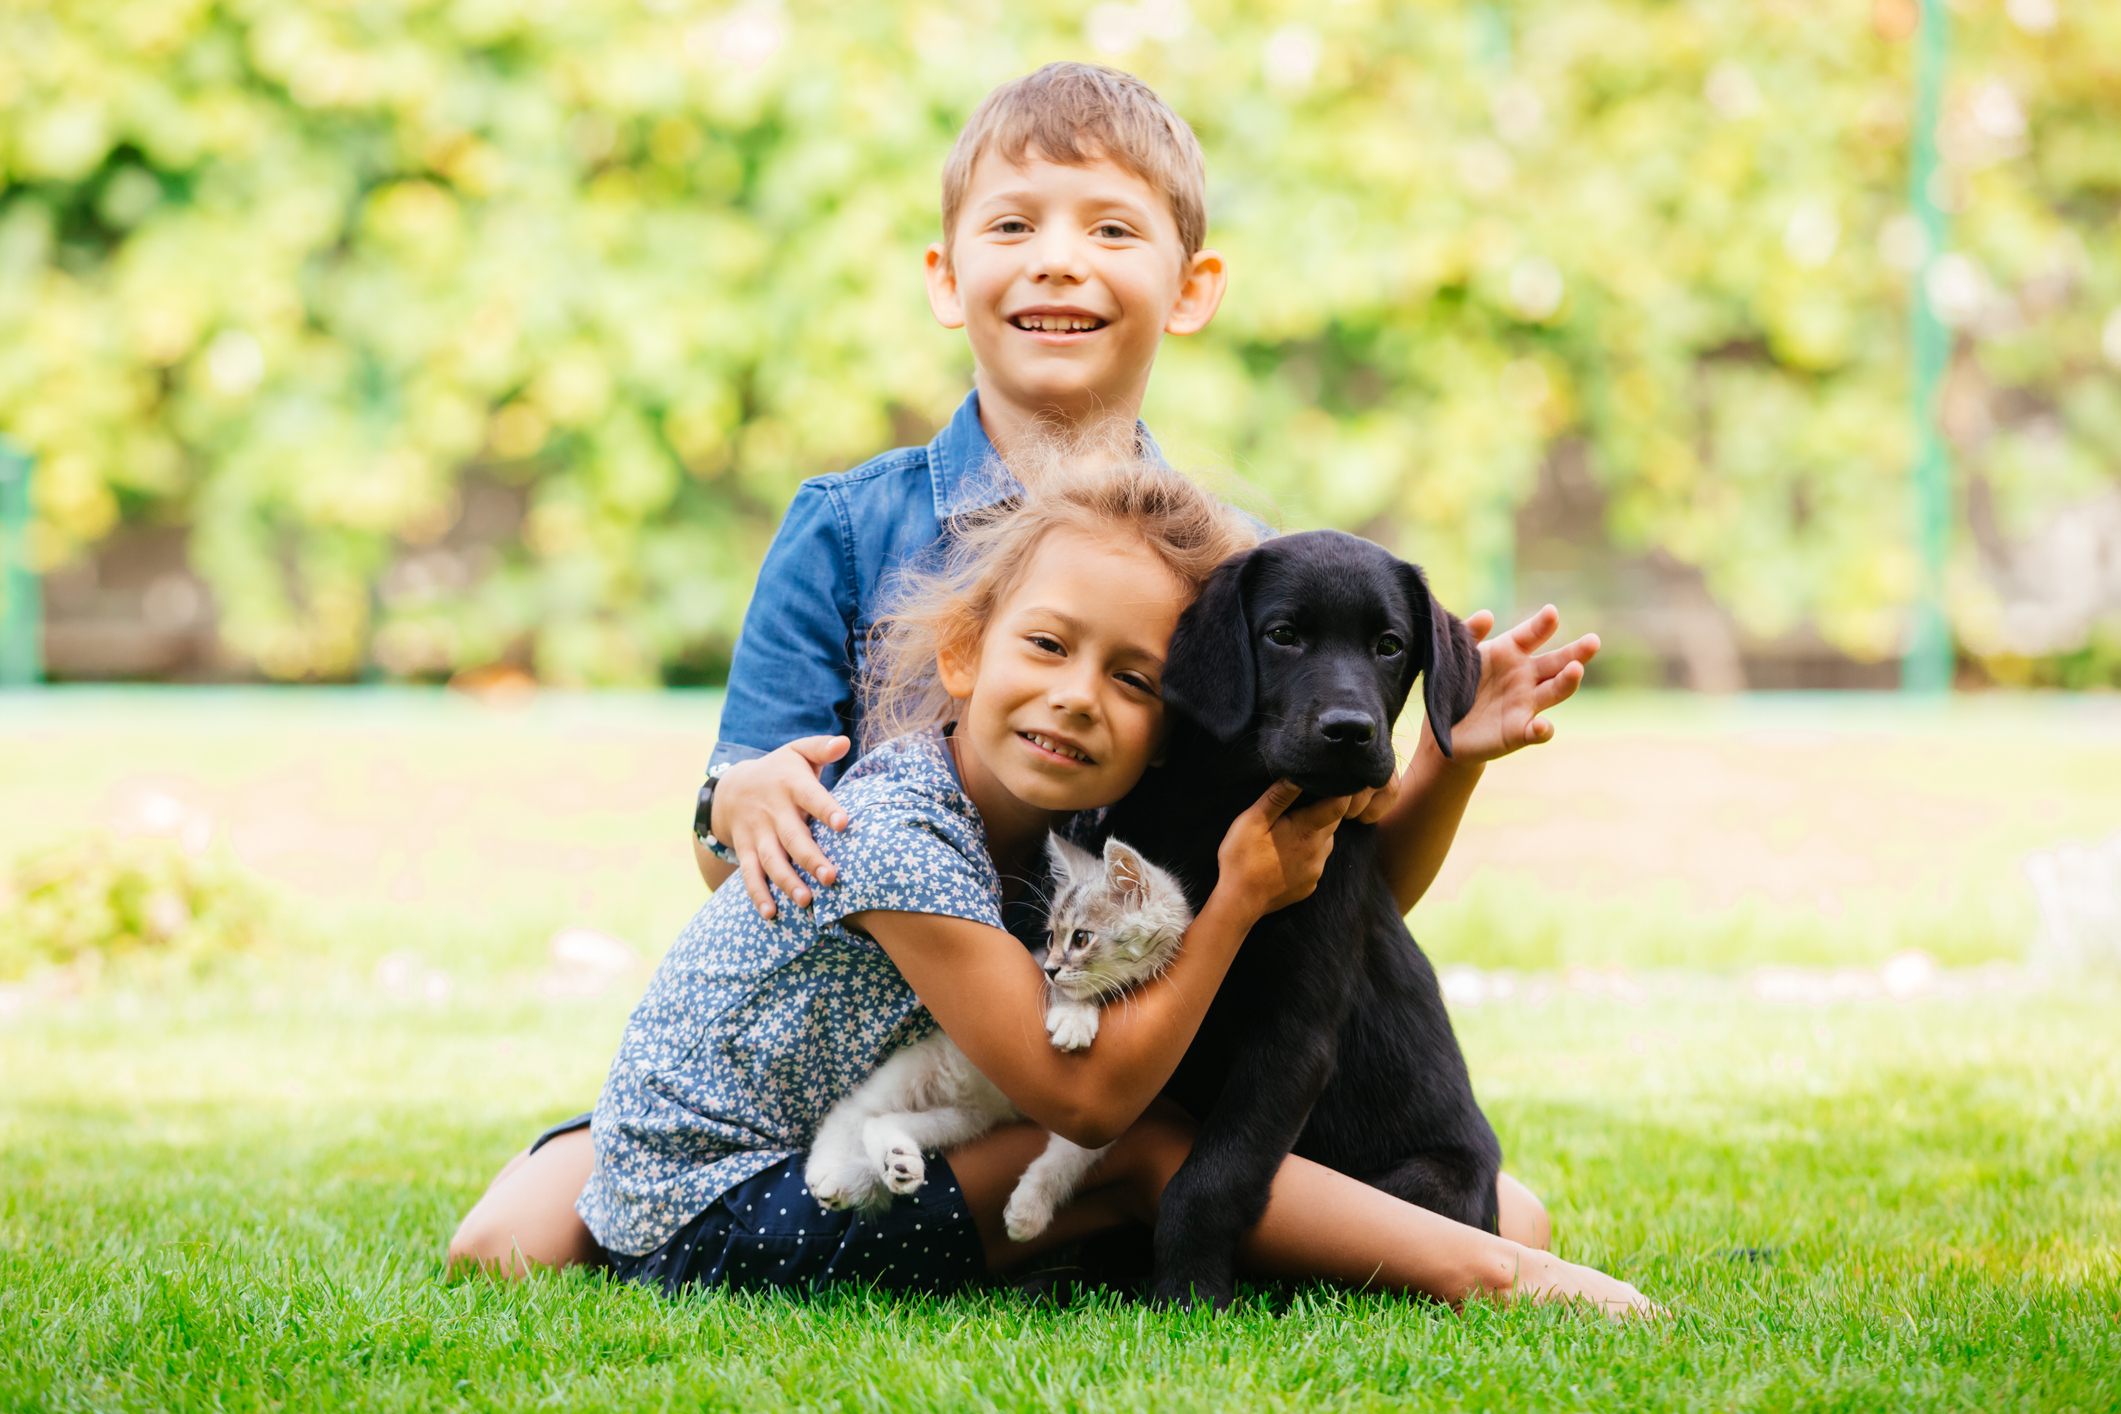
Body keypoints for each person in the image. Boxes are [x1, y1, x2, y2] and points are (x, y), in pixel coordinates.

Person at [450, 61, 1603, 1284]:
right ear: (947, 279)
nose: (1060, 259)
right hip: (856, 1056)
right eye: (1014, 224)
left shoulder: (1235, 585)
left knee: (1492, 1215)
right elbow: (737, 860)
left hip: (1095, 1053)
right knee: (502, 1248)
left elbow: (1314, 904)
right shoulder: (844, 530)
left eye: (1112, 227)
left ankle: (1107, 1219)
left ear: (1191, 287)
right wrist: (735, 800)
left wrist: (1445, 761)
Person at [457, 464, 1652, 1316]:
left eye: (1131, 675)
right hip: (732, 1195)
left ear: (1179, 710)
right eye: (1045, 648)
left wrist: (1442, 756)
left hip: (843, 1123)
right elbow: (1086, 1102)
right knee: (1132, 1147)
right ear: (965, 655)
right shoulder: (900, 830)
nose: (1080, 696)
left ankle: (1438, 1234)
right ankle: (1507, 1274)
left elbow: (1345, 913)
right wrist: (1229, 898)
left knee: (1177, 1155)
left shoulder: (1064, 820)